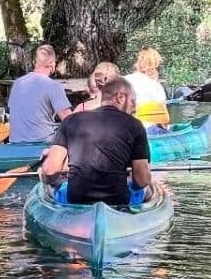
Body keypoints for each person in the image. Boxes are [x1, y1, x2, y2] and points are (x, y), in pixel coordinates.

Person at [38, 76, 154, 206]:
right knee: (149, 187)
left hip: (76, 200)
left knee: (48, 185)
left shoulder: (70, 121)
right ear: (120, 97)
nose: (134, 108)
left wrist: (45, 177)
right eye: (133, 101)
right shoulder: (136, 125)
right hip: (118, 201)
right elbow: (142, 180)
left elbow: (50, 171)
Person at [7, 44, 73, 143]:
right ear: (52, 64)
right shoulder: (53, 86)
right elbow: (70, 120)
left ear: (35, 62)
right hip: (42, 144)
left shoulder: (17, 83)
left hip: (15, 142)